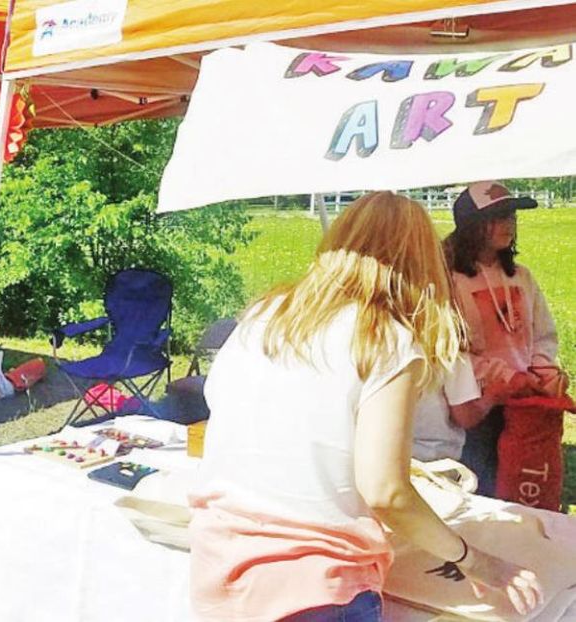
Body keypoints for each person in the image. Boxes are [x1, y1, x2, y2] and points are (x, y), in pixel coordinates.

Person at [188, 192, 541, 621]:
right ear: (421, 262)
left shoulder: (266, 313)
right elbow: (386, 490)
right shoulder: (385, 337)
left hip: (219, 561)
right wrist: (477, 562)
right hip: (316, 582)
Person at [444, 181, 562, 497]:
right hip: (477, 402)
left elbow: (544, 333)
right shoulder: (448, 279)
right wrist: (504, 377)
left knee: (521, 481)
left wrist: (541, 368)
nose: (508, 224)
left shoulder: (520, 275)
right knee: (479, 480)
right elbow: (452, 350)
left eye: (511, 216)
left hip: (524, 399)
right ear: (471, 225)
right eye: (497, 217)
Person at [411, 353, 491, 462]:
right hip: (437, 455)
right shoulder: (450, 348)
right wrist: (491, 398)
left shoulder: (389, 342)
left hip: (391, 452)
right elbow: (464, 417)